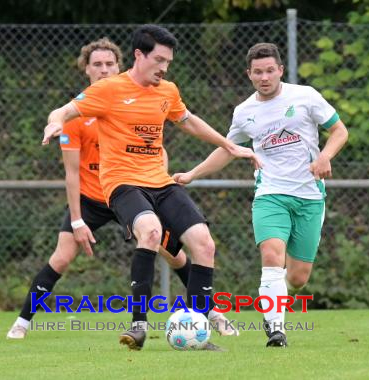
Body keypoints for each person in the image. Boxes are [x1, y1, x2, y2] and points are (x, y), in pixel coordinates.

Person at [42, 25, 259, 350]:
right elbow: (64, 111)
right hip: (123, 183)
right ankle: (139, 326)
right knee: (151, 232)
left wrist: (229, 146)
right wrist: (55, 123)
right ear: (139, 55)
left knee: (204, 244)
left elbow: (187, 121)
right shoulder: (109, 89)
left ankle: (198, 331)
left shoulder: (167, 90)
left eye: (168, 61)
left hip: (160, 180)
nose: (164, 67)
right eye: (159, 59)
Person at [6, 38, 208, 340]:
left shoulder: (139, 97)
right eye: (97, 65)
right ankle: (22, 322)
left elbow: (155, 147)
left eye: (109, 64)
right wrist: (76, 220)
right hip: (92, 199)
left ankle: (209, 314)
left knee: (174, 253)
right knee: (61, 257)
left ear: (120, 65)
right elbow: (72, 172)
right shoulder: (78, 114)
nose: (104, 69)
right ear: (86, 69)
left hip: (133, 193)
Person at [173, 43, 349, 348]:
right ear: (249, 74)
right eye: (258, 72)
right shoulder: (244, 112)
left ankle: (275, 297)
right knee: (271, 255)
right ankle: (276, 327)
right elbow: (227, 150)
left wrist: (325, 156)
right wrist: (191, 174)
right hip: (271, 194)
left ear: (280, 70)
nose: (264, 77)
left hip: (309, 196)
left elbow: (340, 131)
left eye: (270, 70)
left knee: (297, 278)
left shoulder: (304, 96)